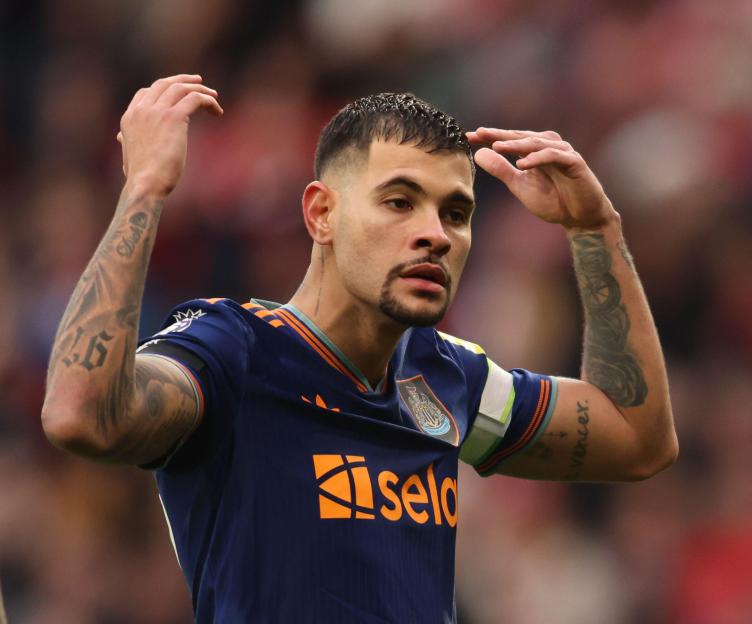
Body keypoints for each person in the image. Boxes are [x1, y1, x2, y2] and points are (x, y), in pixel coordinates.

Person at [41, 74, 677, 622]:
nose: (434, 234)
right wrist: (144, 190)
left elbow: (638, 439)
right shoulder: (235, 350)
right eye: (400, 202)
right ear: (322, 214)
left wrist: (594, 230)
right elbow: (80, 415)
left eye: (455, 214)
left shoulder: (446, 376)